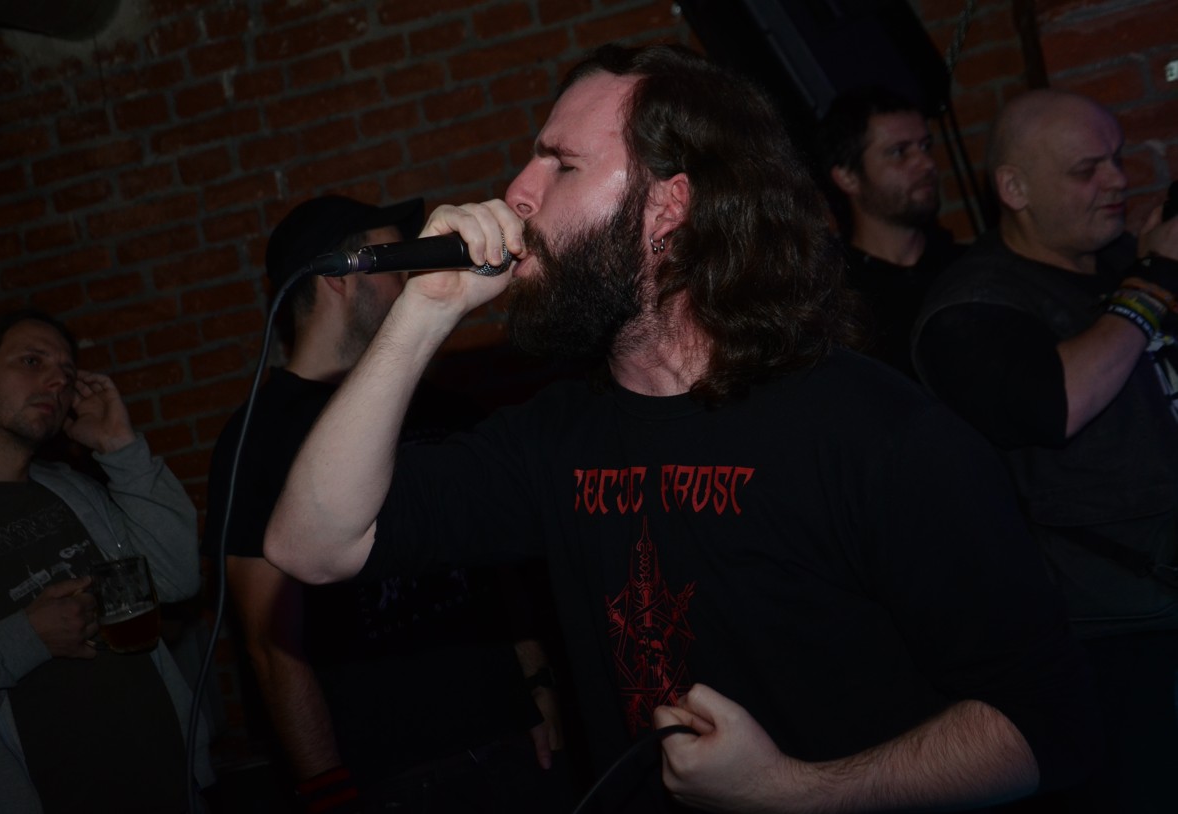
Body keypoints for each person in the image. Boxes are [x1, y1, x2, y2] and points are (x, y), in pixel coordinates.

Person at [266, 45, 1100, 813]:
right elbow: (313, 544)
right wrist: (421, 313)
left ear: (668, 207)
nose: (517, 190)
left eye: (560, 163)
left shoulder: (877, 434)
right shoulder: (556, 436)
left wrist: (790, 792)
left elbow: (1046, 727)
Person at [203, 195, 568, 813]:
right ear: (339, 278)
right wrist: (326, 786)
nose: (410, 280)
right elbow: (271, 643)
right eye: (396, 263)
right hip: (393, 777)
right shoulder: (259, 438)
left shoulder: (445, 406)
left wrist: (533, 680)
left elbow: (498, 564)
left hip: (508, 742)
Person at [912, 88, 1178, 813]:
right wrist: (1152, 284)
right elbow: (1056, 405)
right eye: (1086, 169)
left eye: (1116, 160)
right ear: (1014, 188)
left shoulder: (1120, 260)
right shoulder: (973, 305)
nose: (1117, 180)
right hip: (1115, 637)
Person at [0, 309, 211, 814]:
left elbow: (177, 579)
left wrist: (120, 448)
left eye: (67, 374)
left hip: (166, 787)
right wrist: (27, 638)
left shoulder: (74, 490)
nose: (58, 382)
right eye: (32, 361)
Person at [815, 86, 963, 377]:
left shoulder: (969, 267)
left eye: (925, 146)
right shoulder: (838, 299)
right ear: (848, 177)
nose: (926, 164)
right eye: (899, 152)